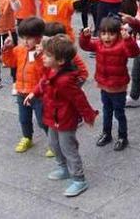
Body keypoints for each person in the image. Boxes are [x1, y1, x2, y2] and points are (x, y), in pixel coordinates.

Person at [25, 34, 98, 198]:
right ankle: (63, 167)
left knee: (68, 148)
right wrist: (34, 93)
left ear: (60, 61)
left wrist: (89, 116)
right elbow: (43, 81)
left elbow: (79, 99)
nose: (43, 57)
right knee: (53, 143)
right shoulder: (51, 71)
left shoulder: (65, 81)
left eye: (48, 55)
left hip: (65, 119)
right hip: (52, 116)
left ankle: (79, 179)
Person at [79, 17, 140, 151]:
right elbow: (85, 45)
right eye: (104, 33)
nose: (107, 37)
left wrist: (128, 39)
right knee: (106, 110)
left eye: (111, 34)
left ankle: (123, 136)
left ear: (118, 34)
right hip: (104, 84)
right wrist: (84, 36)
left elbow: (134, 52)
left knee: (119, 113)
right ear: (100, 34)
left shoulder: (123, 45)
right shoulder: (98, 44)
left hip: (118, 86)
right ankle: (107, 133)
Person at [1, 17, 49, 154]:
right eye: (23, 38)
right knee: (24, 119)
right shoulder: (19, 49)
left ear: (39, 38)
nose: (25, 42)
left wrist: (41, 55)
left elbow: (46, 72)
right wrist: (7, 49)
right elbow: (10, 63)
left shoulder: (44, 53)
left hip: (38, 94)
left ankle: (52, 141)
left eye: (29, 38)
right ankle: (27, 137)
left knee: (42, 120)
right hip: (21, 91)